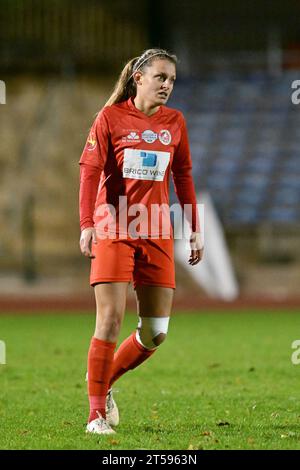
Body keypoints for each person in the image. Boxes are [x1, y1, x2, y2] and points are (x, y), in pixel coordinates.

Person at [79, 48, 204, 435]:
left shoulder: (175, 122)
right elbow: (89, 171)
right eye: (160, 77)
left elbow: (182, 176)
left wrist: (193, 226)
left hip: (156, 229)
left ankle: (104, 382)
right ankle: (96, 414)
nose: (167, 85)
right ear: (139, 77)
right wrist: (87, 224)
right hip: (114, 226)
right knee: (111, 318)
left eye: (172, 80)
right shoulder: (110, 118)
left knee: (155, 332)